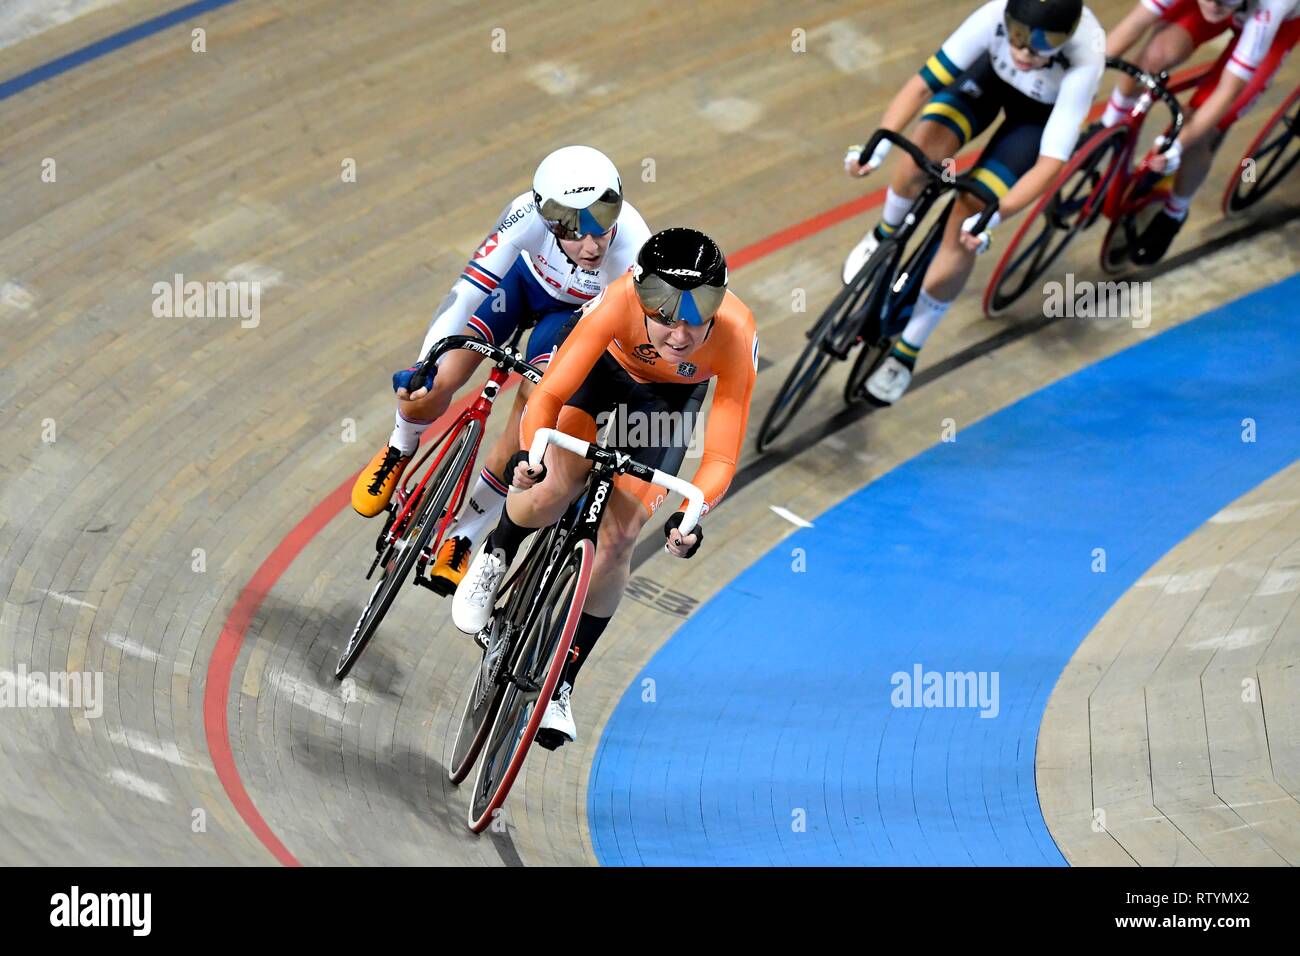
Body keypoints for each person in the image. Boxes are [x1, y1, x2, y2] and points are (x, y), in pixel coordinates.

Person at [450, 228, 759, 749]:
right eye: (663, 313)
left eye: (694, 316)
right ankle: (498, 549)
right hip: (603, 368)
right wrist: (529, 459)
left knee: (619, 538)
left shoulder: (735, 335)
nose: (679, 335)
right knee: (552, 487)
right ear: (641, 293)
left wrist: (690, 516)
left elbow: (722, 455)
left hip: (668, 401)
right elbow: (548, 396)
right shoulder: (617, 303)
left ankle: (562, 684)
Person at [349, 146, 650, 594]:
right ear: (548, 222)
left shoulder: (632, 249)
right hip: (521, 287)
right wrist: (425, 364)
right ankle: (400, 445)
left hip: (572, 318)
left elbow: (614, 347)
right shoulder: (524, 215)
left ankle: (464, 535)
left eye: (601, 226)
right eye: (573, 230)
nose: (591, 245)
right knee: (436, 381)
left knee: (533, 406)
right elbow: (466, 294)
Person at [841, 0, 1104, 406]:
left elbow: (1050, 163)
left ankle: (907, 351)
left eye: (1039, 46)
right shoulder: (993, 15)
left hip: (1034, 122)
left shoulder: (1086, 56)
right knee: (916, 157)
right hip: (988, 84)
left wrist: (994, 216)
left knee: (968, 213)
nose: (1023, 53)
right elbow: (922, 85)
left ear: (1065, 40)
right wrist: (876, 145)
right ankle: (883, 234)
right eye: (1016, 37)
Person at [1111, 0, 1300, 264]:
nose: (1214, 5)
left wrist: (1179, 145)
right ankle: (1110, 130)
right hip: (1230, 9)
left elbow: (1228, 91)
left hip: (1274, 26)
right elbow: (1136, 22)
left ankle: (1174, 214)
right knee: (1152, 57)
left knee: (1198, 129)